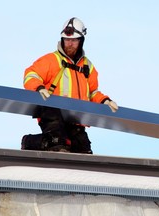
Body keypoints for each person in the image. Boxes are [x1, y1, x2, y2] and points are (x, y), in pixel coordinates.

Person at [21, 17, 118, 154]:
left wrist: (105, 101)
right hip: (52, 113)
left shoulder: (87, 67)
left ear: (81, 41)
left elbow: (92, 92)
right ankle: (29, 142)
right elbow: (30, 74)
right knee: (59, 144)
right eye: (67, 40)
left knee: (83, 152)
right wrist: (39, 88)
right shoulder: (52, 60)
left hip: (76, 119)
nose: (69, 44)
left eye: (74, 40)